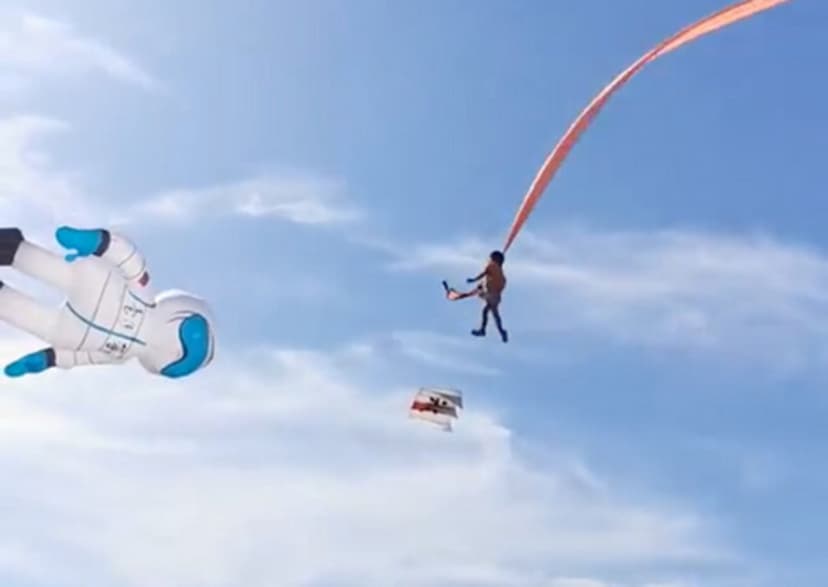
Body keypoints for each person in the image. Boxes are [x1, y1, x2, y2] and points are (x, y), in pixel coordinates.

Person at [0, 226, 216, 378]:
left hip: (71, 331)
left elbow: (83, 358)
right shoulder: (143, 295)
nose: (178, 356)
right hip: (94, 287)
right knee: (55, 270)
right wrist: (99, 242)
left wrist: (48, 359)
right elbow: (131, 261)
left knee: (27, 315)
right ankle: (11, 249)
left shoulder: (121, 355)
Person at [462, 250, 508, 343]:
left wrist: (473, 280)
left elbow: (483, 274)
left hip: (491, 295)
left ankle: (484, 330)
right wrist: (482, 287)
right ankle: (501, 331)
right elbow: (497, 284)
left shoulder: (491, 266)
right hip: (496, 297)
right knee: (493, 314)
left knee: (487, 312)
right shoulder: (501, 275)